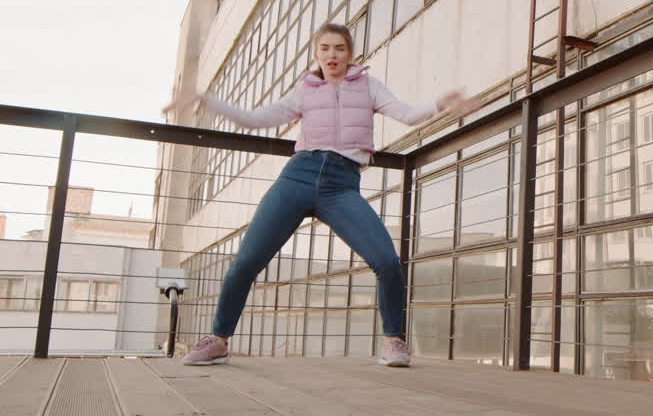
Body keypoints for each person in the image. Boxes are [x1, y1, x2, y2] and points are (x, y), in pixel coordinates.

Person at [163, 22, 482, 368]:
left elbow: (406, 114)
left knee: (387, 261)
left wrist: (441, 102)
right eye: (325, 49)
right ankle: (219, 339)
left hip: (340, 184)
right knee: (245, 262)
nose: (333, 55)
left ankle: (394, 341)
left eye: (340, 49)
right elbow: (256, 119)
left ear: (350, 53)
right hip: (296, 178)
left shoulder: (369, 86)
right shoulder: (305, 90)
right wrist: (204, 100)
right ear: (317, 54)